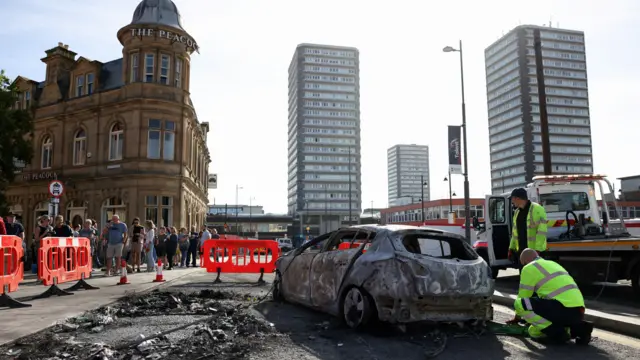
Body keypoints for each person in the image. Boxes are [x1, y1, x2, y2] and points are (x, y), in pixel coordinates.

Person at [511, 248, 593, 344]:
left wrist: (517, 317)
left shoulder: (529, 267)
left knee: (530, 326)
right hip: (578, 312)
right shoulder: (553, 264)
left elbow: (523, 297)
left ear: (526, 261)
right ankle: (581, 329)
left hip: (560, 308)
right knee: (537, 325)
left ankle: (556, 332)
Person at [508, 188, 548, 267]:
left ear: (518, 198)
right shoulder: (516, 212)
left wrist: (537, 250)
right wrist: (511, 248)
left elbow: (541, 232)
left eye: (512, 199)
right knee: (524, 275)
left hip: (534, 253)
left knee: (536, 276)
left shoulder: (537, 209)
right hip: (521, 253)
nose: (512, 202)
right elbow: (515, 233)